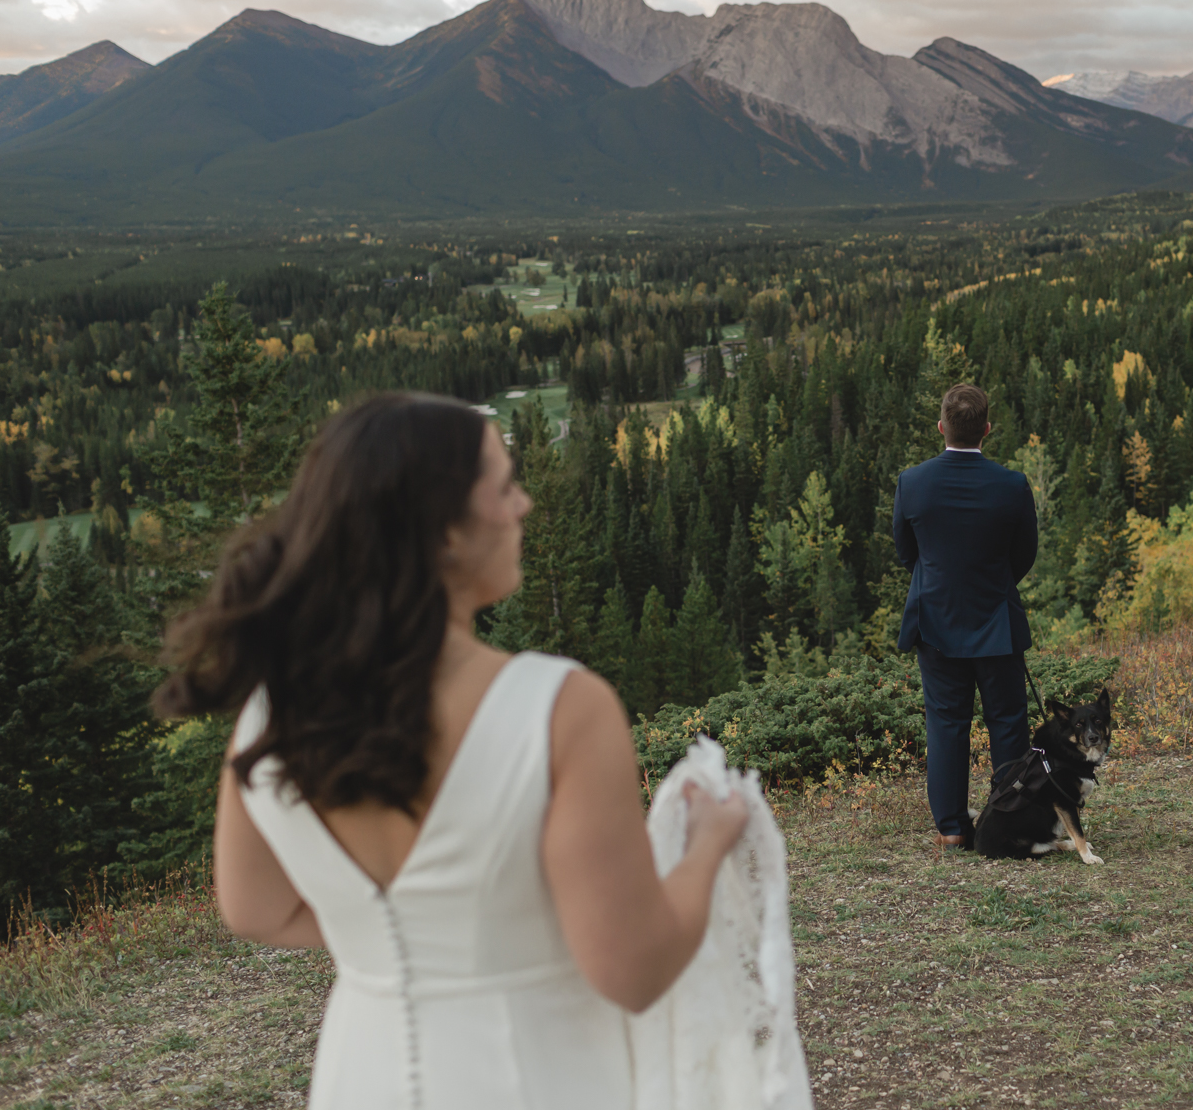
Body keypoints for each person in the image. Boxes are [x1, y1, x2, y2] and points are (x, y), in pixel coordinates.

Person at [155, 392, 750, 1108]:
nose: (525, 504)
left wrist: (399, 941)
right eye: (504, 486)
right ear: (443, 534)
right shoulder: (561, 707)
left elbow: (252, 908)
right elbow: (633, 969)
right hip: (535, 1073)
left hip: (361, 1072)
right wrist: (708, 846)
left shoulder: (268, 714)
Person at [891, 384, 1039, 848]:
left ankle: (952, 828)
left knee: (946, 723)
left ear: (941, 428)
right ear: (987, 430)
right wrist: (991, 584)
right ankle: (1011, 816)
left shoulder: (912, 483)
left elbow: (905, 553)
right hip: (996, 620)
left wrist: (942, 582)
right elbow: (1025, 556)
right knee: (1008, 720)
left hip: (935, 621)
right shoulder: (1013, 485)